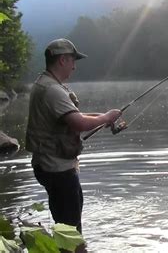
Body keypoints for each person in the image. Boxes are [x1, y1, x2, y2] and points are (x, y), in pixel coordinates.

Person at [25, 38, 121, 233]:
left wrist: (104, 118)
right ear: (62, 60)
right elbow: (80, 123)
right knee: (71, 231)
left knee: (66, 224)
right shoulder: (53, 90)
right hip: (57, 168)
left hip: (49, 165)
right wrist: (105, 117)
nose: (74, 67)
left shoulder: (45, 84)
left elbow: (72, 117)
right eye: (72, 61)